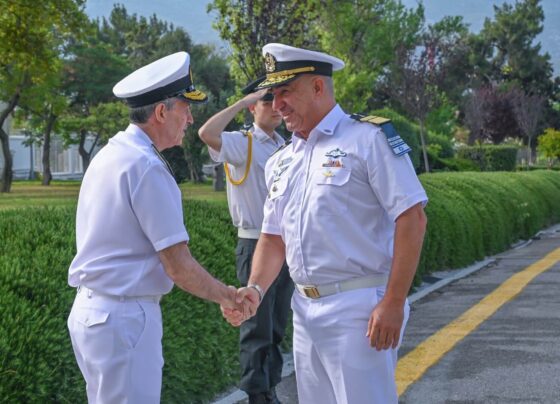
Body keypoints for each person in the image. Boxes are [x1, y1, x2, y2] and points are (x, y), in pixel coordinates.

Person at [223, 43, 428, 403]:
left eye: (286, 92)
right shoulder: (282, 159)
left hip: (359, 308)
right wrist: (255, 289)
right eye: (273, 95)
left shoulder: (368, 139)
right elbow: (273, 238)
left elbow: (412, 217)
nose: (277, 104)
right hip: (304, 310)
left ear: (318, 87)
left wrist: (394, 301)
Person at [67, 51, 246, 404]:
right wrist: (228, 296)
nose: (190, 119)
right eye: (186, 108)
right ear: (162, 112)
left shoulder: (111, 154)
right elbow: (178, 265)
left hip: (93, 314)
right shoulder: (146, 166)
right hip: (124, 319)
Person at [198, 80, 294, 404]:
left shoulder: (285, 145)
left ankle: (270, 390)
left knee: (276, 327)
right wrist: (242, 102)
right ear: (253, 107)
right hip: (255, 245)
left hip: (284, 246)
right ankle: (257, 395)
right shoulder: (244, 143)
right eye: (267, 100)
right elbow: (207, 133)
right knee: (256, 328)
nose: (276, 106)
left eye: (278, 99)